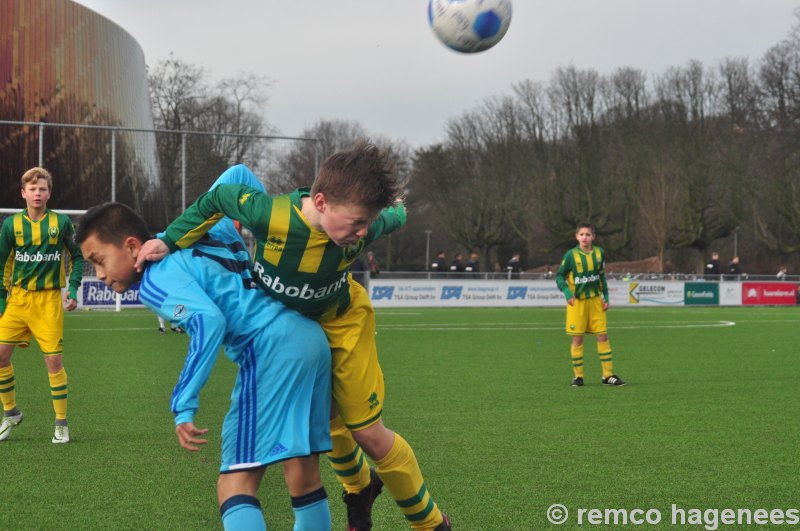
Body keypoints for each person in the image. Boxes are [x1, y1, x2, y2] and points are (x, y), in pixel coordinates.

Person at [135, 142, 450, 531]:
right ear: (320, 201)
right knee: (327, 422)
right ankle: (360, 491)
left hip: (344, 321)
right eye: (355, 222)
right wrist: (170, 240)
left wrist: (395, 206)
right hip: (295, 329)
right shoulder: (270, 215)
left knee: (367, 433)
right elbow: (219, 195)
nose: (363, 232)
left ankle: (432, 524)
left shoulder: (365, 227)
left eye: (367, 223)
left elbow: (394, 215)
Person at [77, 202, 333, 530]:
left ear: (131, 246)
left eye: (98, 261)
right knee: (304, 474)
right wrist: (175, 234)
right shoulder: (207, 228)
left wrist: (183, 404)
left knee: (235, 485)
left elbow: (209, 321)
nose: (98, 275)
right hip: (310, 337)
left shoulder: (156, 279)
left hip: (270, 349)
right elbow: (238, 175)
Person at [0, 167, 83, 444]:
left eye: (43, 189)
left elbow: (77, 256)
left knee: (53, 362)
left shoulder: (61, 223)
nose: (38, 193)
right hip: (19, 300)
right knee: (0, 356)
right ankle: (10, 413)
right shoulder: (11, 225)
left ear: (49, 193)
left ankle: (61, 423)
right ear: (23, 193)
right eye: (33, 189)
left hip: (48, 301)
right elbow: (2, 263)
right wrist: (2, 299)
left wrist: (72, 288)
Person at [555, 222, 626, 388]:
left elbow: (601, 276)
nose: (584, 237)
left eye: (588, 234)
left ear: (593, 237)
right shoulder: (571, 255)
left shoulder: (600, 253)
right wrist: (566, 292)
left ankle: (608, 375)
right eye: (582, 234)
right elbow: (559, 277)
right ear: (577, 237)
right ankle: (578, 377)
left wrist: (606, 295)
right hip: (577, 303)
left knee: (603, 335)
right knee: (578, 339)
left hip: (595, 302)